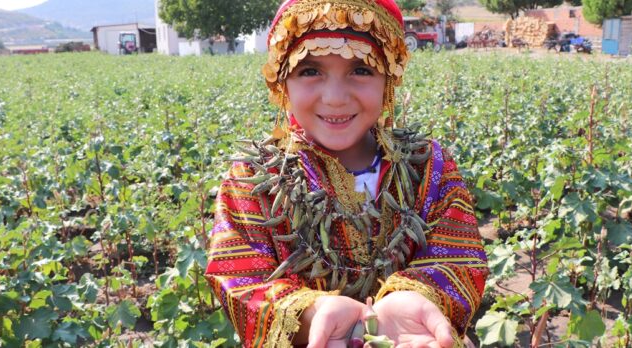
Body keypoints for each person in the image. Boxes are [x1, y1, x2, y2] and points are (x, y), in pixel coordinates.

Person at [204, 1, 488, 347]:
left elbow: (459, 258)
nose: (335, 98)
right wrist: (311, 314)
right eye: (310, 71)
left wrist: (419, 296)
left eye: (361, 70)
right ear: (283, 82)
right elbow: (240, 276)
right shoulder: (252, 178)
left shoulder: (429, 166)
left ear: (388, 79)